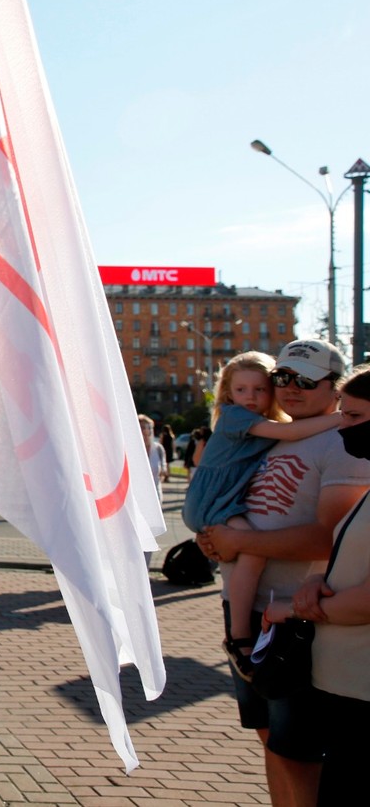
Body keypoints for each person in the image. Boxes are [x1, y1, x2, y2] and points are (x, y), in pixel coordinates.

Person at [198, 339, 370, 805]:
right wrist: (212, 536)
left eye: (306, 381)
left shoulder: (345, 442)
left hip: (294, 619)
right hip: (246, 609)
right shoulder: (270, 435)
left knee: (299, 752)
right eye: (284, 378)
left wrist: (240, 543)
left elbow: (329, 537)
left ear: (334, 389)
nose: (290, 389)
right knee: (271, 738)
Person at [184, 351, 341, 678]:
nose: (250, 397)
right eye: (241, 390)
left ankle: (238, 634)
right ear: (228, 393)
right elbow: (292, 433)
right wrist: (344, 416)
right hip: (214, 503)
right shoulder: (237, 417)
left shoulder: (265, 425)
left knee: (250, 551)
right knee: (253, 553)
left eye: (260, 389)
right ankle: (239, 636)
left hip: (221, 506)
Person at [263, 364, 370, 805]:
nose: (343, 428)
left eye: (355, 417)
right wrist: (319, 580)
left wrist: (292, 608)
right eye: (342, 415)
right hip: (344, 688)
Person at [139, 414, 169, 502]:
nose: (146, 431)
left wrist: (163, 472)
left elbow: (164, 469)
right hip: (138, 496)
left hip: (155, 495)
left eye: (149, 428)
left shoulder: (158, 448)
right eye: (142, 428)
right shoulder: (130, 449)